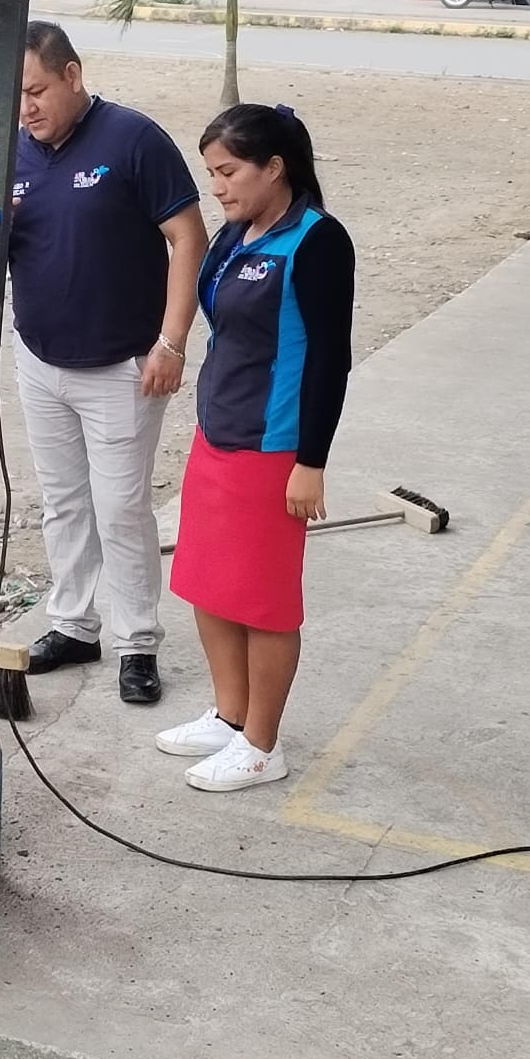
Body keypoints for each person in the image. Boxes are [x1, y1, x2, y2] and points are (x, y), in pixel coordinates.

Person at [8, 20, 208, 703]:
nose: (26, 108)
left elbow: (188, 237)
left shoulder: (133, 140)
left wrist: (171, 341)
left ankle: (137, 642)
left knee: (120, 507)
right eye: (16, 97)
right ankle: (73, 625)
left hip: (123, 366)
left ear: (72, 75)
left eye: (36, 90)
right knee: (63, 501)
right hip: (40, 360)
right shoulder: (12, 155)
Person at [159, 104, 355, 792]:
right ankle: (230, 715)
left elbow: (330, 358)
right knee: (206, 580)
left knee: (264, 599)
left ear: (274, 168)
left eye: (229, 172)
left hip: (275, 447)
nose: (217, 187)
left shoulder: (318, 241)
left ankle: (263, 745)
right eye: (211, 173)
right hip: (219, 432)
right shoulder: (233, 234)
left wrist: (311, 462)